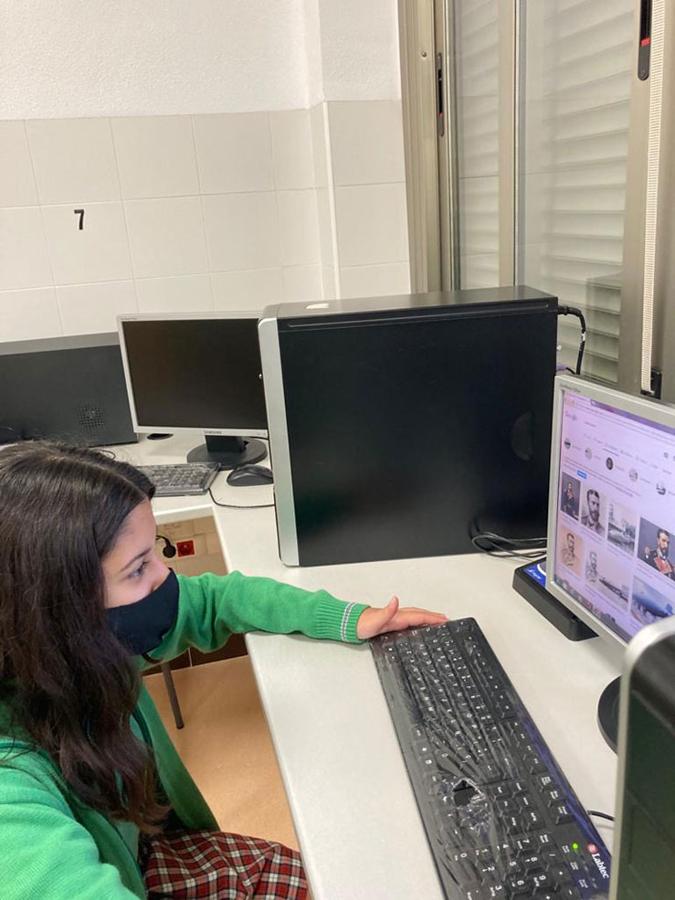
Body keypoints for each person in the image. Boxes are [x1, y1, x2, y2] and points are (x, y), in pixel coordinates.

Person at [0, 442, 447, 899]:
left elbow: (216, 599)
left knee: (323, 879)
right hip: (125, 874)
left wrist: (349, 619)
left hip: (143, 855)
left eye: (153, 552)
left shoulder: (71, 646)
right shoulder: (10, 791)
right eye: (137, 569)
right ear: (56, 607)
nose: (163, 574)